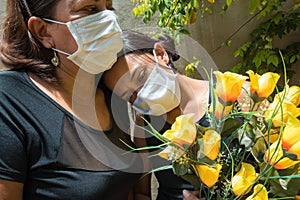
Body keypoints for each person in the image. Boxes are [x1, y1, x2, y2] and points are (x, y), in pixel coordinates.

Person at [0, 1, 150, 200]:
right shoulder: (10, 100)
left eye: (109, 8)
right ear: (43, 31)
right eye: (89, 9)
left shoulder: (109, 89)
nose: (109, 20)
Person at [103, 30, 218, 200]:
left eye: (141, 76)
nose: (141, 93)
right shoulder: (145, 126)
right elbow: (142, 193)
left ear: (161, 54)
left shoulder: (231, 95)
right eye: (130, 95)